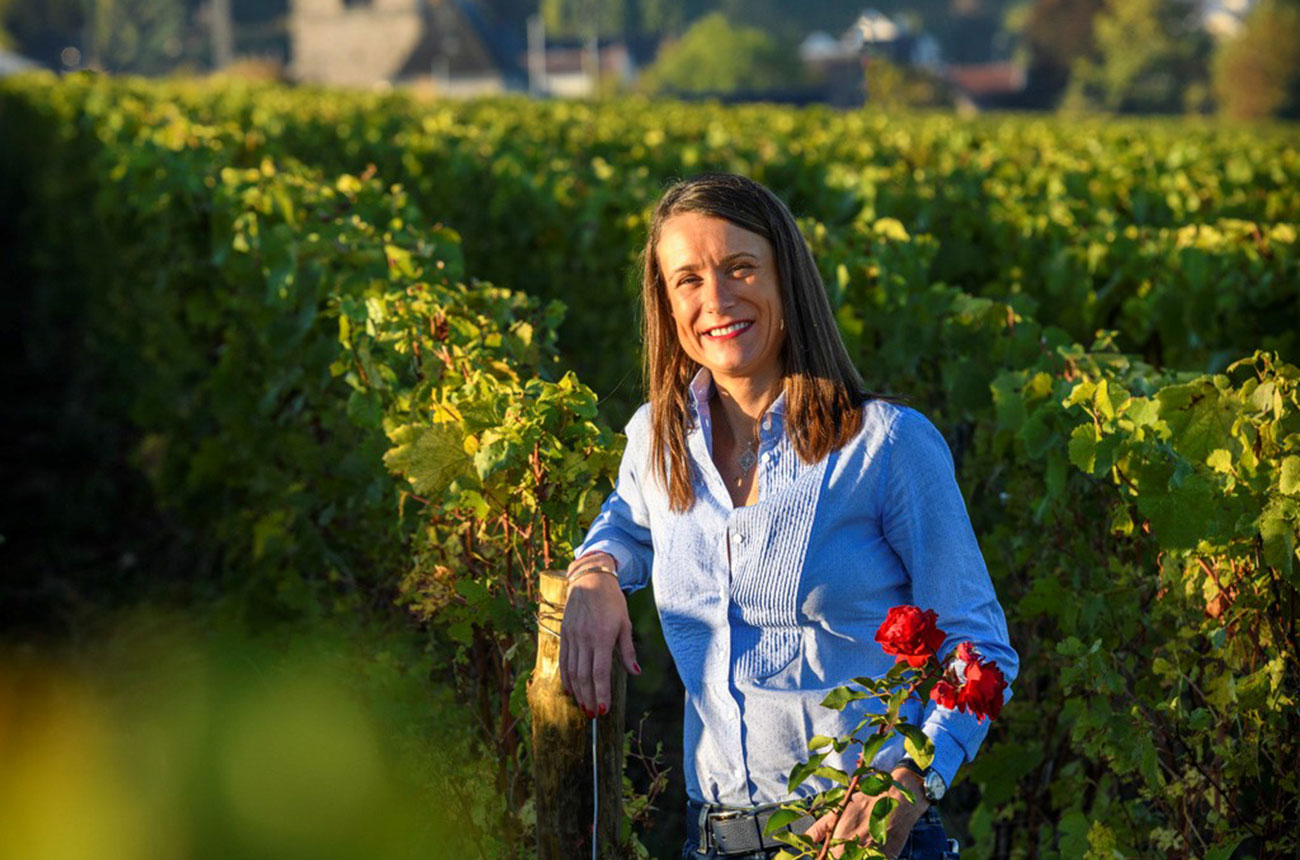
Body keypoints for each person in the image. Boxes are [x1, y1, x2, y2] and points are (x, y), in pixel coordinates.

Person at [559, 173, 1017, 860]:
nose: (716, 299)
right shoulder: (659, 439)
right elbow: (626, 522)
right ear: (665, 301)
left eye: (741, 268)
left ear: (787, 281)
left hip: (859, 845)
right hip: (711, 842)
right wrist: (594, 574)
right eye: (688, 279)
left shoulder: (886, 445)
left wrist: (910, 784)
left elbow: (979, 646)